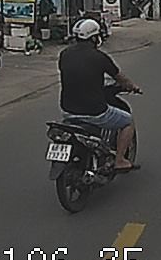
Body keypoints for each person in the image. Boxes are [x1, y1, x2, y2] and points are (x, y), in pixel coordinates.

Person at [59, 19, 140, 171]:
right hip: (94, 112)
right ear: (94, 38)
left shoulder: (64, 54)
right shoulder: (100, 57)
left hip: (67, 111)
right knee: (127, 121)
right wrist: (133, 87)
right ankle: (120, 160)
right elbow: (120, 78)